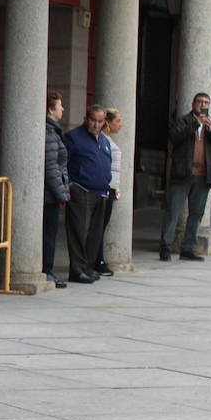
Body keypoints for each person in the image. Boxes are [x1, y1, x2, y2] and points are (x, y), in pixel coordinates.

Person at [162, 92, 211, 260]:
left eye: (206, 102)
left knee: (196, 214)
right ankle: (166, 247)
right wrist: (193, 125)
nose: (202, 105)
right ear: (193, 104)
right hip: (183, 174)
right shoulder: (183, 120)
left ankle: (188, 247)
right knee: (173, 212)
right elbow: (174, 137)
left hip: (203, 176)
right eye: (199, 102)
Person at [62, 105, 113, 283]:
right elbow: (63, 162)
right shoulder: (74, 138)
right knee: (79, 232)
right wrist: (70, 185)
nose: (96, 124)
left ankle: (88, 267)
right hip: (81, 190)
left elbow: (107, 162)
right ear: (86, 119)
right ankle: (77, 270)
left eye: (100, 121)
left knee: (95, 233)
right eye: (93, 120)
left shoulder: (104, 141)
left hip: (101, 191)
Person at [92, 107, 125, 276]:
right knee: (98, 227)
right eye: (117, 121)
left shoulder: (108, 140)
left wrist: (117, 189)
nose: (120, 124)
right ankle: (97, 260)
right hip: (104, 188)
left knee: (101, 226)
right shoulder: (102, 140)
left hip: (110, 188)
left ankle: (98, 259)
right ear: (108, 123)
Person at [43, 92, 70, 288]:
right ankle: (46, 270)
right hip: (48, 194)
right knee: (48, 234)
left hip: (51, 193)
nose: (63, 109)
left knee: (51, 233)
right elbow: (51, 166)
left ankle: (48, 269)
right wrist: (62, 193)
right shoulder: (49, 132)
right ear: (51, 109)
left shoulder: (53, 131)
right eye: (60, 106)